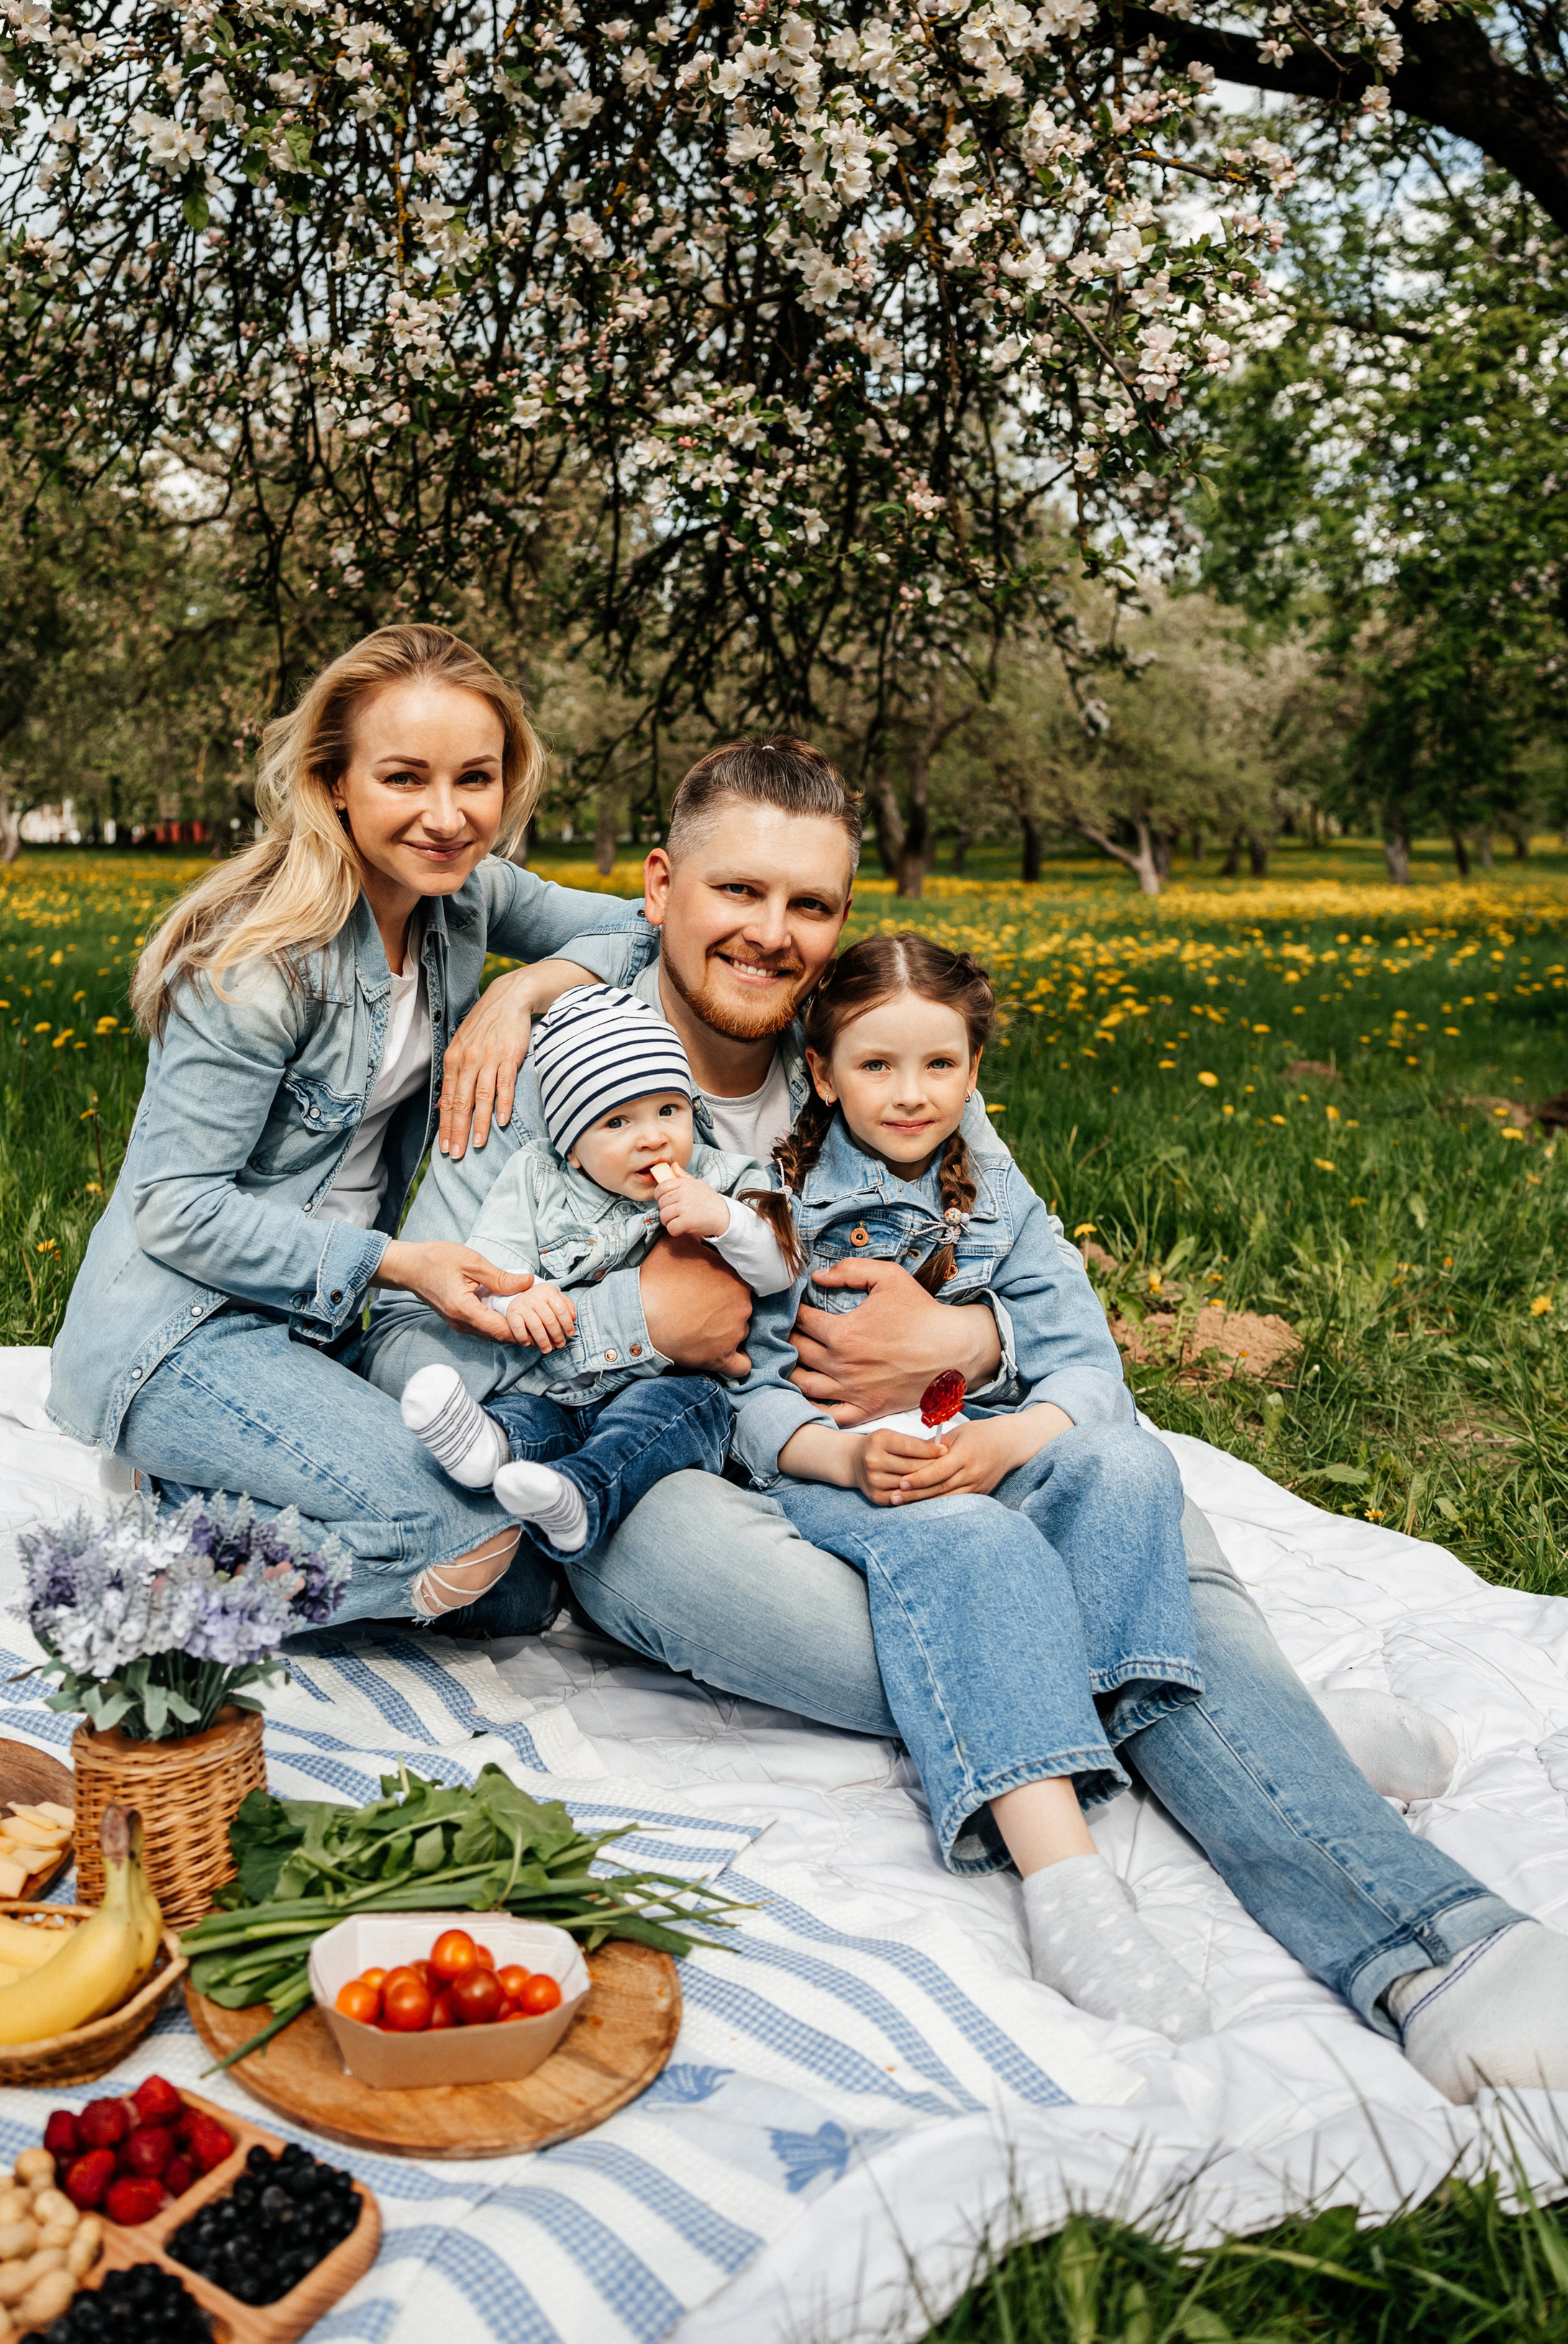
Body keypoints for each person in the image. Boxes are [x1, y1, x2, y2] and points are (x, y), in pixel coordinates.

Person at [368, 732, 1568, 2102]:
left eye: (811, 906)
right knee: (808, 1563)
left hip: (933, 1447)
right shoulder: (548, 1052)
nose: (771, 936)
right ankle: (1215, 1727)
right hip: (679, 1469)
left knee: (1123, 1469)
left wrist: (962, 1337)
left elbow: (1042, 1297)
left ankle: (1435, 1945)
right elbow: (411, 1334)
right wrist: (653, 1327)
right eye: (738, 894)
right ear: (658, 888)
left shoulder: (881, 1062)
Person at [44, 621, 657, 1627]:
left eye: (477, 779)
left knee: (516, 1594)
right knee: (462, 1539)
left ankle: (199, 1508)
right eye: (406, 779)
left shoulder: (464, 903)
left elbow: (648, 927)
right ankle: (140, 1595)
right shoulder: (261, 961)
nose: (449, 816)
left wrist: (530, 987)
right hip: (183, 1333)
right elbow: (173, 1208)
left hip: (309, 1335)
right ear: (335, 782)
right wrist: (397, 1265)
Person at [726, 929, 1207, 2038]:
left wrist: (1011, 1440)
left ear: (975, 1070)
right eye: (876, 1066)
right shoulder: (774, 1206)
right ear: (822, 1070)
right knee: (977, 1546)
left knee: (1130, 1465)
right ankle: (1069, 1883)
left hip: (977, 1435)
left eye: (939, 1066)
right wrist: (841, 1453)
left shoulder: (995, 1192)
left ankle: (1183, 1727)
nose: (909, 1094)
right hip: (852, 1470)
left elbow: (1088, 1363)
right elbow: (742, 1392)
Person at [400, 982, 790, 1559]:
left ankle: (581, 1497)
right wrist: (518, 1301)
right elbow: (494, 1270)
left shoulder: (724, 1175)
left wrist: (725, 1220)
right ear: (572, 1148)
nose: (654, 1136)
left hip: (675, 1387)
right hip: (563, 1387)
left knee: (663, 1418)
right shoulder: (536, 1180)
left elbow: (782, 1268)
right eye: (617, 1123)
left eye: (668, 1109)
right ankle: (492, 1447)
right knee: (529, 1413)